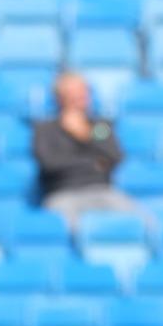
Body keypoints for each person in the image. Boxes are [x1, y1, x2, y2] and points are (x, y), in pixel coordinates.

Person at [32, 72, 135, 228]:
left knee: (140, 222)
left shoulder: (99, 127)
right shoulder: (46, 129)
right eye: (72, 93)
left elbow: (114, 157)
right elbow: (49, 164)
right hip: (63, 194)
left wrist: (84, 134)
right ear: (60, 97)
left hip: (102, 191)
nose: (80, 97)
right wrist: (94, 163)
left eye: (83, 91)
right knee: (67, 228)